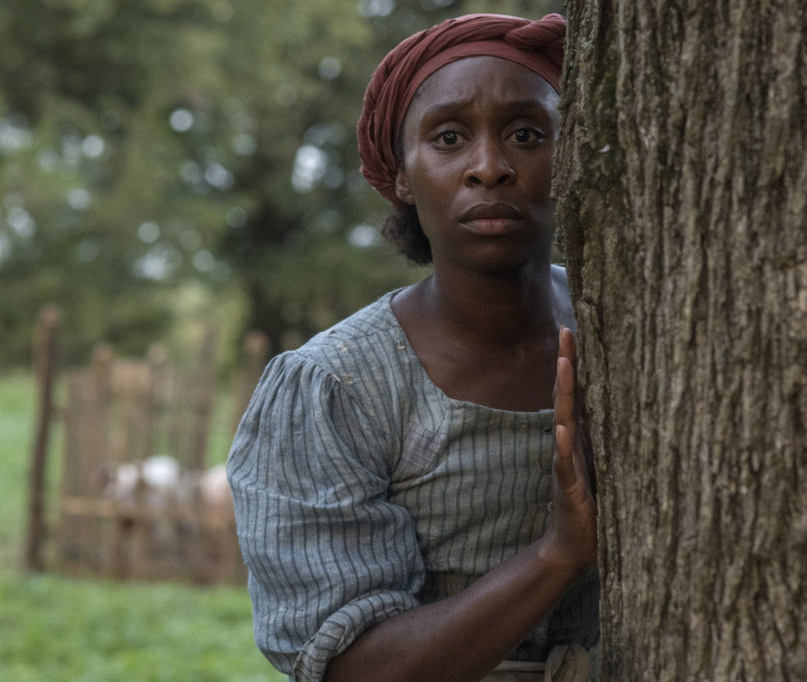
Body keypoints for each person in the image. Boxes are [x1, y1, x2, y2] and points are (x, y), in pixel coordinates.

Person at [227, 13, 599, 682]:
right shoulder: (335, 388)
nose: (489, 167)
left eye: (526, 134)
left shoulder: (619, 331)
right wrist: (556, 555)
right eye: (449, 138)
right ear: (402, 174)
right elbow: (349, 670)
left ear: (569, 155)